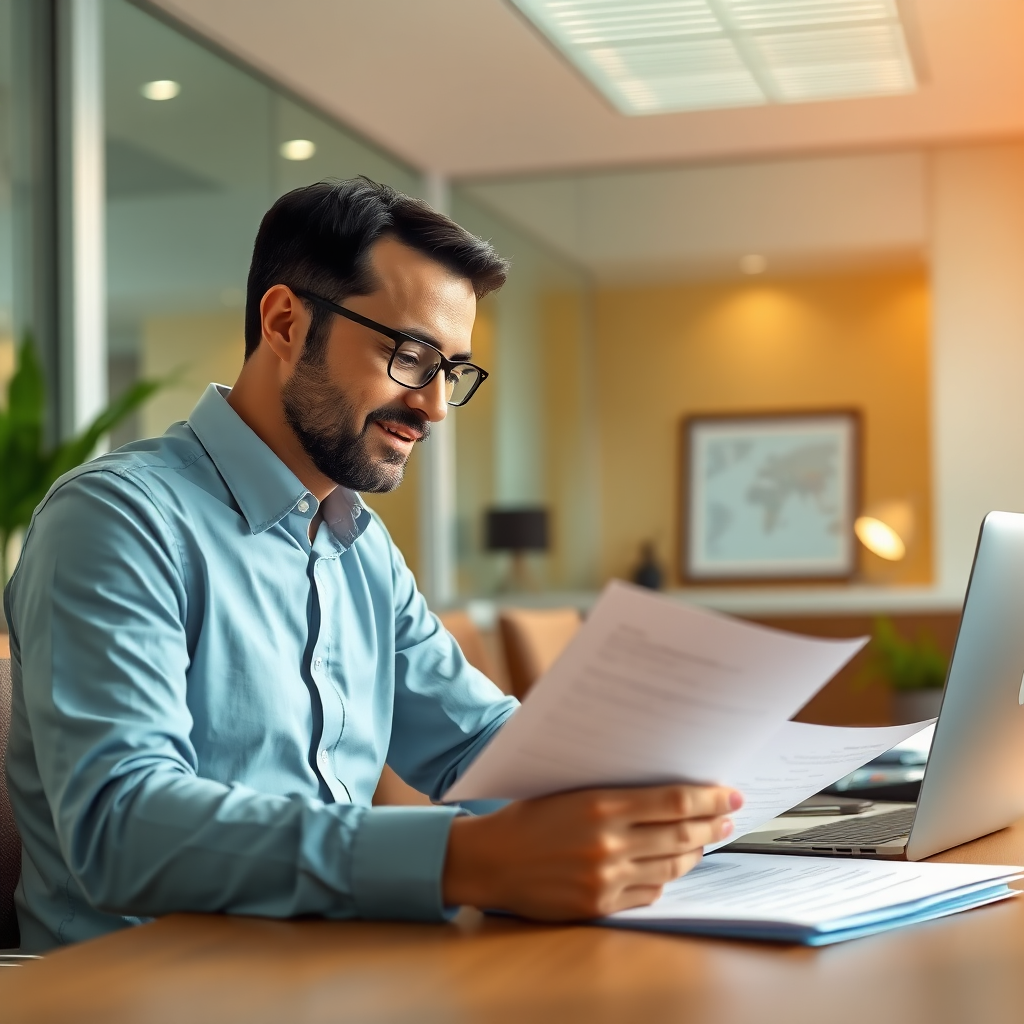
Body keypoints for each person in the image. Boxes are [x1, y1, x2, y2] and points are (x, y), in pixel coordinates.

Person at [4, 179, 740, 951]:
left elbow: (478, 745)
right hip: (136, 984)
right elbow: (119, 826)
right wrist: (457, 858)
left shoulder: (361, 542)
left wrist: (660, 796)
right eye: (411, 356)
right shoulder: (118, 519)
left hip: (330, 966)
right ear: (286, 322)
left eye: (451, 372)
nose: (432, 410)